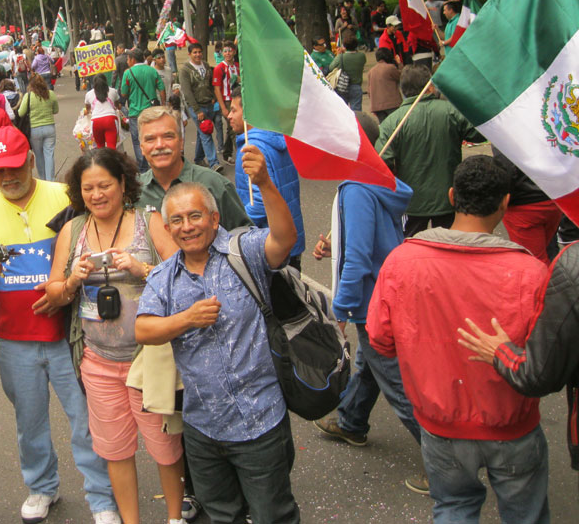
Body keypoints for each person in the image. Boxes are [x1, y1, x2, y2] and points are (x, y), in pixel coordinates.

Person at [367, 156, 551, 524]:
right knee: (526, 515)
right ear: (505, 204)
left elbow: (380, 338)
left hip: (439, 423)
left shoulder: (402, 262)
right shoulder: (531, 272)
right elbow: (545, 359)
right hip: (512, 424)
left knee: (453, 508)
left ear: (452, 196)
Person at [0, 127, 120, 524]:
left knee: (86, 421)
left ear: (31, 160)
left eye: (15, 167)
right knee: (29, 424)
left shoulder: (64, 196)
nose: (8, 178)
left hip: (70, 335)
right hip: (14, 339)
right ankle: (41, 487)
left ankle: (102, 497)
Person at [135, 164, 301, 524]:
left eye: (195, 216)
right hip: (203, 427)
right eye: (176, 220)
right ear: (167, 229)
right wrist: (186, 320)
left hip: (260, 421)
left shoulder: (244, 252)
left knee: (273, 514)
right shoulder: (164, 276)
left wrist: (265, 185)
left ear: (213, 218)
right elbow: (144, 330)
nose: (187, 226)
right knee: (221, 515)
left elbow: (285, 239)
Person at [43, 149, 183, 524]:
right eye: (88, 188)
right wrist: (72, 279)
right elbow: (54, 292)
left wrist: (142, 268)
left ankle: (174, 517)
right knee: (116, 450)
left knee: (165, 448)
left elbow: (183, 275)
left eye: (105, 185)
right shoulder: (73, 231)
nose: (97, 195)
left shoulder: (148, 223)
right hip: (98, 361)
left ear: (123, 184)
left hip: (148, 359)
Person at [308, 113, 426, 493]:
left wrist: (341, 307)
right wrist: (335, 243)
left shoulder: (356, 189)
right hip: (386, 292)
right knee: (371, 366)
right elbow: (368, 240)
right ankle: (352, 421)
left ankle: (448, 463)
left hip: (373, 301)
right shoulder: (374, 180)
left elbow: (358, 257)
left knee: (398, 385)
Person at [456, 241, 579, 486]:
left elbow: (539, 374)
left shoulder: (572, 263)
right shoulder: (537, 269)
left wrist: (501, 352)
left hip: (453, 423)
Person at [376, 66, 484, 236]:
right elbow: (478, 134)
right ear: (430, 86)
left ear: (402, 89)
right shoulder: (450, 111)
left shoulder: (392, 122)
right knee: (449, 248)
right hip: (448, 199)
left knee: (409, 249)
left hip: (410, 201)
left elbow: (382, 164)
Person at [227, 88, 305, 269]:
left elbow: (261, 202)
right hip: (292, 238)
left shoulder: (251, 149)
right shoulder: (279, 139)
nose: (229, 116)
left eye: (233, 110)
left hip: (269, 245)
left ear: (249, 113)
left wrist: (239, 226)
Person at [136, 106, 250, 230]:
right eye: (150, 139)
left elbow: (244, 235)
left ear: (181, 142)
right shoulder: (135, 191)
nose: (159, 145)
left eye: (168, 136)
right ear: (141, 147)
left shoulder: (214, 185)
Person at [178, 43, 222, 173]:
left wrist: (213, 96)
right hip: (196, 106)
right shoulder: (185, 70)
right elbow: (187, 92)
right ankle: (214, 163)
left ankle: (198, 158)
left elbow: (210, 83)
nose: (198, 55)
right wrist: (197, 110)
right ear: (189, 54)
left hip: (209, 104)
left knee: (201, 133)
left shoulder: (206, 66)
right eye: (195, 52)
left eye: (199, 52)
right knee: (206, 132)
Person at [120, 49, 166, 173]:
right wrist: (163, 105)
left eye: (128, 59)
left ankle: (143, 168)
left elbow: (124, 92)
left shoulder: (128, 73)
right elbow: (162, 89)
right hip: (151, 111)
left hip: (135, 113)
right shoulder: (152, 71)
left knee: (137, 140)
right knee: (152, 138)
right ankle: (155, 164)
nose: (127, 62)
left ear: (133, 59)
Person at [18, 74, 60, 181]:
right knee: (49, 154)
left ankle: (43, 179)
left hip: (34, 130)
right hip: (49, 128)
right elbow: (55, 110)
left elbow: (21, 113)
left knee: (39, 156)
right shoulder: (50, 94)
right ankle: (51, 180)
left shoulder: (28, 96)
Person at [212, 42, 239, 162]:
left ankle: (227, 153)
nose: (228, 53)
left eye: (230, 50)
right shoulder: (219, 68)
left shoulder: (238, 66)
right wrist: (223, 107)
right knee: (235, 129)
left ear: (234, 52)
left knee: (231, 128)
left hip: (237, 100)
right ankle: (241, 155)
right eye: (225, 51)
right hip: (227, 101)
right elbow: (217, 88)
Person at [328, 34, 366, 111]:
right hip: (356, 86)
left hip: (342, 86)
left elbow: (331, 67)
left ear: (344, 46)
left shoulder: (341, 57)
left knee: (343, 110)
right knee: (356, 110)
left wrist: (338, 55)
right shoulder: (361, 56)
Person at [84, 75, 122, 149]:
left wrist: (86, 111)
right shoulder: (113, 91)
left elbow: (87, 109)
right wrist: (119, 106)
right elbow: (117, 106)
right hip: (110, 120)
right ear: (105, 81)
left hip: (96, 122)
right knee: (112, 148)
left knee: (100, 147)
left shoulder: (88, 94)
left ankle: (101, 160)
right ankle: (112, 160)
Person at [366, 48, 402, 124]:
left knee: (384, 127)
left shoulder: (371, 71)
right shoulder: (390, 68)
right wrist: (399, 64)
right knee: (395, 126)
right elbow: (402, 76)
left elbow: (369, 90)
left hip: (377, 106)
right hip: (392, 104)